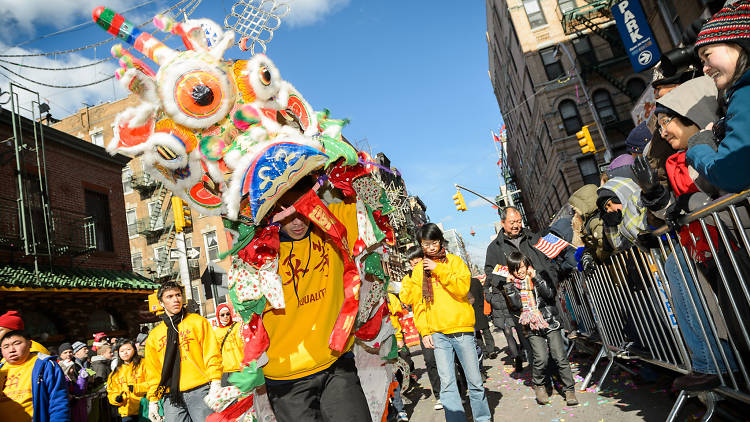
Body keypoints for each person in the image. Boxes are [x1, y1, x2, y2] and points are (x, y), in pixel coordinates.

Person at [261, 177, 372, 422]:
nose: (298, 221)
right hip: (286, 378)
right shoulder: (259, 249)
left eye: (303, 209)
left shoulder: (333, 227)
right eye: (287, 213)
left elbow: (369, 197)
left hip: (336, 364)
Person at [400, 223, 491, 422]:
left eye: (434, 243)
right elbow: (416, 303)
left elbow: (461, 288)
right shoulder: (418, 271)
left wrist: (438, 269)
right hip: (438, 334)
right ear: (420, 245)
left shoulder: (455, 262)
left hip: (462, 330)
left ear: (440, 241)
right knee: (448, 384)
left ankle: (483, 418)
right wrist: (424, 332)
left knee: (474, 381)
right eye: (425, 244)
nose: (431, 248)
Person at [686, 0, 750, 192]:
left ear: (738, 45)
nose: (705, 69)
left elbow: (731, 174)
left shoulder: (745, 94)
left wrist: (700, 145)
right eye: (702, 61)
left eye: (708, 55)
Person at [484, 206, 556, 370]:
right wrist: (505, 277)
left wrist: (552, 281)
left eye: (518, 221)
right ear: (503, 223)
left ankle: (556, 372)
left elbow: (548, 262)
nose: (516, 225)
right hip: (519, 305)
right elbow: (490, 271)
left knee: (553, 340)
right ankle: (540, 379)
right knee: (531, 345)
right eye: (512, 222)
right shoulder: (494, 248)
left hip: (542, 299)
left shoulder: (533, 237)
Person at [504, 252, 578, 406]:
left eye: (522, 266)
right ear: (511, 270)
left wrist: (536, 278)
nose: (520, 271)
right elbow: (516, 306)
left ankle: (569, 389)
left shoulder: (538, 277)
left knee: (559, 356)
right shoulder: (512, 286)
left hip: (549, 320)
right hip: (530, 324)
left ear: (527, 264)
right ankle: (539, 385)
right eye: (515, 269)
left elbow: (550, 294)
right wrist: (509, 286)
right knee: (541, 358)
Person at [144, 281, 222, 422]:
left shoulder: (198, 322)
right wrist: (153, 400)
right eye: (170, 296)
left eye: (178, 295)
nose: (176, 299)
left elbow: (211, 353)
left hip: (200, 389)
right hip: (170, 395)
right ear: (161, 303)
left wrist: (216, 381)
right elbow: (153, 371)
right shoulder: (154, 335)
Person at [402, 246, 443, 410]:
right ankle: (439, 395)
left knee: (447, 358)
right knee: (430, 360)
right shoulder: (408, 278)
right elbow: (406, 298)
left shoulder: (433, 272)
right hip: (423, 326)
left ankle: (457, 391)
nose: (414, 266)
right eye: (412, 264)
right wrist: (413, 281)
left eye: (417, 262)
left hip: (440, 321)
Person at [0, 330, 70, 422]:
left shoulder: (45, 365)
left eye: (17, 343)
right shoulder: (1, 370)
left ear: (29, 344)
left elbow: (58, 402)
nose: (11, 350)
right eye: (6, 346)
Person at [108, 339, 147, 422]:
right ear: (118, 353)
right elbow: (111, 391)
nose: (125, 353)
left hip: (145, 409)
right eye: (122, 351)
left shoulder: (144, 364)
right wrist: (116, 399)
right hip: (126, 412)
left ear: (134, 350)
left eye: (128, 349)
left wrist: (136, 388)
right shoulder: (116, 372)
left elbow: (153, 383)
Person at [386, 283, 409, 422]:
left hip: (388, 341)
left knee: (392, 376)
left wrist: (399, 339)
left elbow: (394, 321)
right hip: (366, 346)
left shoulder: (388, 298)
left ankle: (400, 410)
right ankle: (388, 412)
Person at [213, 303, 243, 386]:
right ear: (218, 316)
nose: (225, 316)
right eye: (222, 315)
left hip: (240, 368)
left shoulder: (238, 326)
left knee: (244, 397)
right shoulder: (216, 333)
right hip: (226, 371)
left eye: (227, 314)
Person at [468, 277, 497, 362]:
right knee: (484, 331)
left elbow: (481, 294)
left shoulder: (468, 282)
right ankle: (489, 351)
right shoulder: (473, 281)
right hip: (476, 309)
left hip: (475, 309)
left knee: (480, 332)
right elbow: (482, 294)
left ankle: (487, 352)